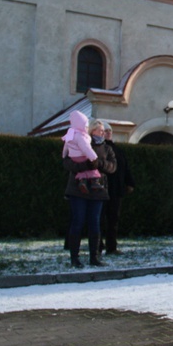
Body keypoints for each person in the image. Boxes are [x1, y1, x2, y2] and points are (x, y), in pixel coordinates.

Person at [63, 118, 116, 268]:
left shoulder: (107, 149)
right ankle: (75, 257)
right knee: (78, 221)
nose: (103, 133)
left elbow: (112, 167)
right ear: (92, 131)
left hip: (97, 189)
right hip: (78, 189)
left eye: (104, 131)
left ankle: (94, 256)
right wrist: (84, 165)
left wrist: (99, 164)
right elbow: (67, 162)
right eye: (100, 130)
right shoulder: (79, 142)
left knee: (95, 222)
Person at [99, 121, 135, 255]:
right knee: (100, 218)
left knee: (113, 219)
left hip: (116, 189)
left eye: (110, 131)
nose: (108, 133)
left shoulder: (118, 150)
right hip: (101, 188)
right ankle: (98, 245)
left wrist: (130, 182)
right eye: (105, 131)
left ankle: (111, 246)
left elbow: (125, 167)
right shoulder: (98, 148)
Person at [61, 111, 103, 194]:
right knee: (93, 168)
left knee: (82, 170)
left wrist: (64, 155)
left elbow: (66, 146)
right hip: (82, 156)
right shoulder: (81, 136)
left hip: (73, 157)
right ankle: (95, 182)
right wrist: (93, 157)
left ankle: (82, 181)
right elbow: (86, 148)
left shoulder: (70, 133)